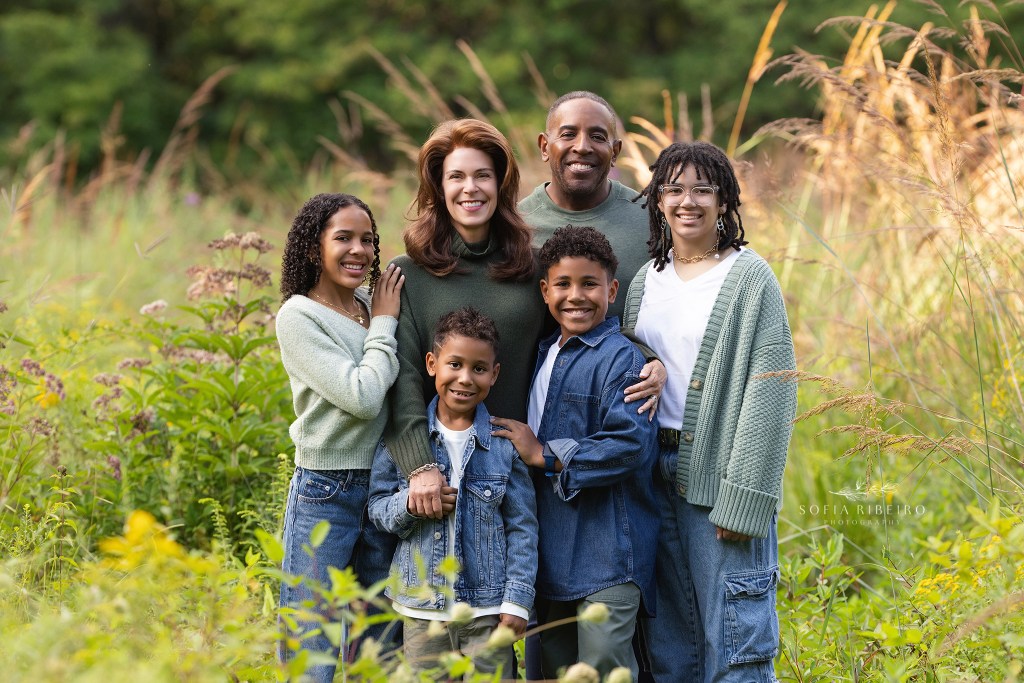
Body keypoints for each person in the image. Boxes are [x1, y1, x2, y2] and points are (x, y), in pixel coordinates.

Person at [623, 141, 797, 683]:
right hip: (654, 476)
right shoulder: (643, 281)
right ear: (657, 201)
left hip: (722, 478)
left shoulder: (749, 277)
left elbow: (772, 391)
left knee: (736, 634)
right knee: (674, 642)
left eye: (702, 189)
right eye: (673, 189)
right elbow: (633, 359)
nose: (687, 201)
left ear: (725, 200)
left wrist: (745, 497)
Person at [491, 225, 659, 680]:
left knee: (603, 671)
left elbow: (629, 445)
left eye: (589, 284)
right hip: (551, 554)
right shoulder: (545, 353)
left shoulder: (622, 360)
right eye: (563, 284)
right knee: (554, 672)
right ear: (544, 291)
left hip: (609, 556)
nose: (576, 296)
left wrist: (546, 453)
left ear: (612, 289)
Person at [275, 193, 406, 683]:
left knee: (380, 639)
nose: (359, 250)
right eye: (343, 238)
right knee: (315, 641)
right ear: (314, 248)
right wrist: (386, 324)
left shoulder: (372, 305)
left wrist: (381, 319)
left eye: (368, 240)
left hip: (383, 488)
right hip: (325, 491)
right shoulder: (299, 316)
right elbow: (364, 395)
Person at [369, 307, 538, 679]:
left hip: (486, 610)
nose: (465, 378)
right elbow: (378, 509)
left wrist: (517, 599)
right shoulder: (404, 441)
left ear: (494, 374)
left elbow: (523, 528)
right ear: (432, 364)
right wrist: (410, 505)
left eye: (478, 369)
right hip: (423, 611)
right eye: (455, 365)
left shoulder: (503, 445)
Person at [518, 91, 650, 324]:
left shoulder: (650, 220)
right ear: (544, 147)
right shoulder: (517, 225)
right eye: (568, 134)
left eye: (598, 137)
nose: (582, 147)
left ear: (615, 152)